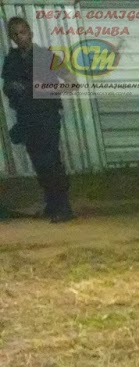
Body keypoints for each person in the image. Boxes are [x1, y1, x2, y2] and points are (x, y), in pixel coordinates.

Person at [4, 16, 74, 222]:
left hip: (46, 116)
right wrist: (13, 88)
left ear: (31, 33)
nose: (19, 37)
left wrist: (45, 90)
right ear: (11, 38)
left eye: (22, 32)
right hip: (26, 118)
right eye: (15, 34)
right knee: (39, 163)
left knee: (51, 161)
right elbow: (7, 86)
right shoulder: (12, 60)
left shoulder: (45, 56)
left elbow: (71, 81)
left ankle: (64, 207)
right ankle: (52, 205)